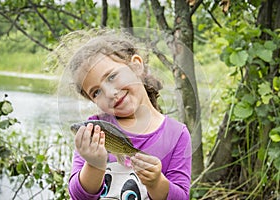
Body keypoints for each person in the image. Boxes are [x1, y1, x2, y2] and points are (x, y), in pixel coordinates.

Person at [66, 30, 192, 200]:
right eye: (96, 92)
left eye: (111, 77)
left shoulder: (177, 135)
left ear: (136, 66)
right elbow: (78, 197)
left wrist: (156, 183)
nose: (110, 93)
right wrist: (94, 164)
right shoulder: (93, 130)